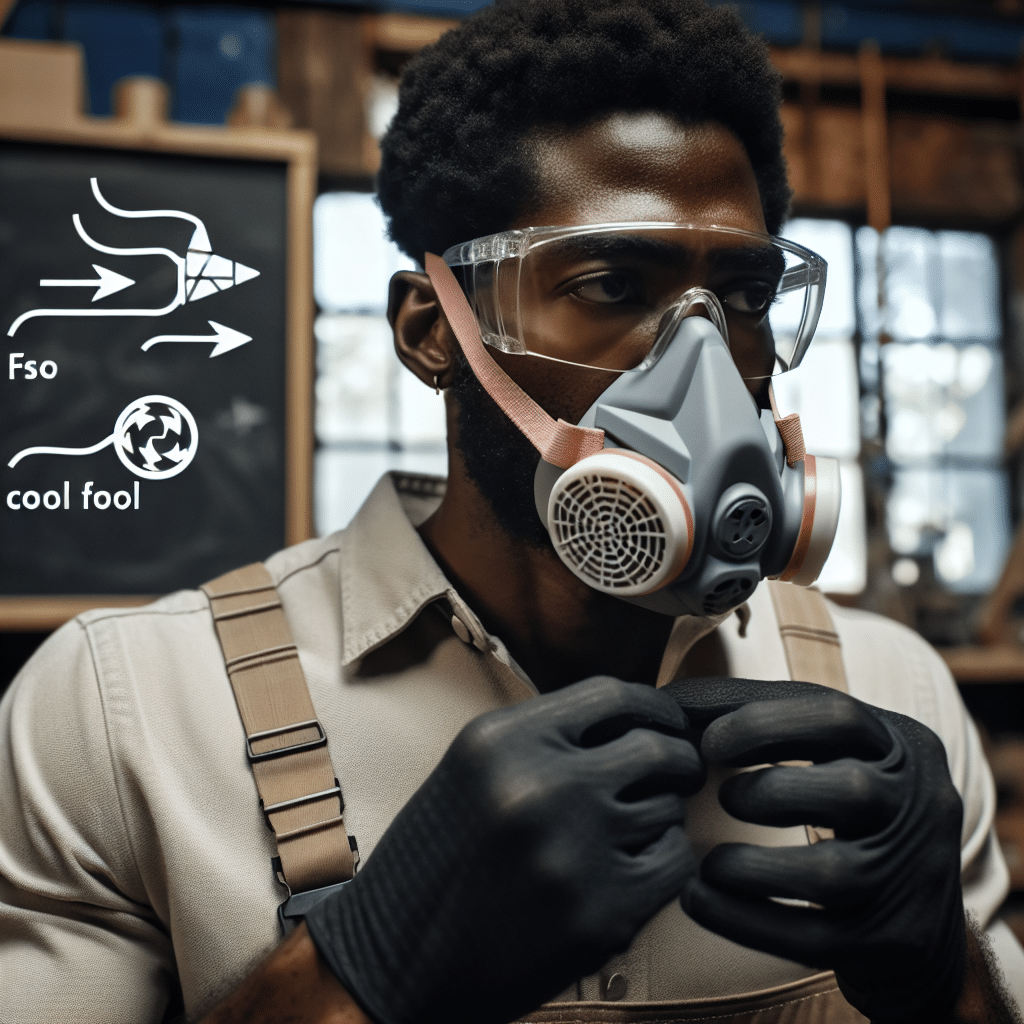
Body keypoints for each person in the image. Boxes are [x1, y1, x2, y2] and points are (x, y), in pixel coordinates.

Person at [2, 1, 1023, 1022]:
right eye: (610, 284)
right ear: (432, 332)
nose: (705, 368)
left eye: (747, 299)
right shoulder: (129, 719)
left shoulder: (893, 697)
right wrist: (356, 968)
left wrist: (949, 982)